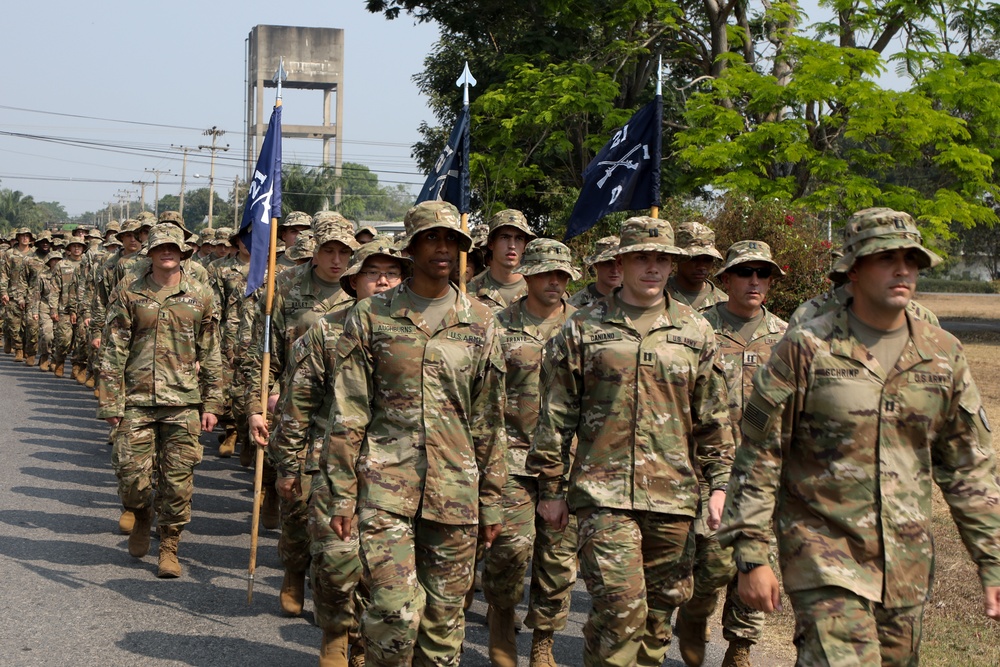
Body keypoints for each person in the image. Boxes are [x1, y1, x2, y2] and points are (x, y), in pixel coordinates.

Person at [719, 208, 1000, 666]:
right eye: (886, 257)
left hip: (906, 565)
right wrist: (751, 553)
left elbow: (968, 468)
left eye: (912, 258)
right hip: (823, 557)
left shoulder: (942, 353)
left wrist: (992, 560)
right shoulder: (806, 347)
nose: (903, 268)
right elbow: (761, 455)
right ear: (853, 268)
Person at [527, 216, 734, 667]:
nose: (653, 267)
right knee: (621, 611)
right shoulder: (582, 328)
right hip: (603, 496)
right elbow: (556, 416)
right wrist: (551, 490)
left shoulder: (696, 331)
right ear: (620, 261)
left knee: (657, 620)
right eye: (642, 257)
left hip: (674, 497)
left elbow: (713, 418)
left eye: (663, 258)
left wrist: (719, 486)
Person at [324, 200, 506, 667]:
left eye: (451, 240)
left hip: (456, 492)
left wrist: (491, 500)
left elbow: (489, 420)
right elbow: (349, 411)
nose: (443, 248)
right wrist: (341, 494)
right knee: (392, 612)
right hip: (386, 487)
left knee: (444, 622)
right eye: (432, 238)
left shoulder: (482, 322)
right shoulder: (371, 316)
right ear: (412, 248)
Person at [263, 237, 408, 666]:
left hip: (395, 470)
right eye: (372, 273)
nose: (383, 282)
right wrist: (287, 466)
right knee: (336, 561)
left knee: (382, 571)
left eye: (392, 274)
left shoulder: (410, 334)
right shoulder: (325, 332)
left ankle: (362, 644)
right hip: (330, 463)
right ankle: (334, 632)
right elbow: (297, 404)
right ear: (352, 281)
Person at [677, 241, 788, 667]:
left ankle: (739, 650)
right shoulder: (697, 328)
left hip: (763, 469)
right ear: (725, 280)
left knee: (757, 557)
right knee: (711, 563)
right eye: (746, 273)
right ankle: (694, 613)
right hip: (706, 466)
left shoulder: (786, 336)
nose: (755, 281)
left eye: (763, 274)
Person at [96, 223, 224, 578]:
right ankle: (140, 514)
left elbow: (211, 351)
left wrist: (213, 404)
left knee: (178, 481)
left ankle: (169, 544)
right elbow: (114, 347)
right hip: (136, 399)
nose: (167, 252)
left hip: (183, 401)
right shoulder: (130, 291)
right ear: (150, 252)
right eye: (160, 247)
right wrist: (110, 401)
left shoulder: (201, 294)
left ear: (183, 252)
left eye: (173, 247)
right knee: (131, 477)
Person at [247, 213, 358, 617]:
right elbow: (262, 354)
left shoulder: (363, 294)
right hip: (295, 409)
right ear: (314, 252)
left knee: (339, 513)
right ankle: (293, 570)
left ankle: (332, 593)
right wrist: (259, 403)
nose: (336, 259)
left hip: (346, 415)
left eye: (344, 252)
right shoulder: (284, 286)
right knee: (296, 502)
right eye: (329, 250)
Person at [483, 238, 580, 667]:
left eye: (562, 275)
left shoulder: (587, 326)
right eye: (546, 273)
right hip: (512, 458)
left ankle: (544, 640)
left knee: (557, 562)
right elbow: (481, 393)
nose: (555, 282)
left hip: (568, 461)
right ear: (529, 274)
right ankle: (502, 615)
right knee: (509, 550)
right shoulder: (496, 325)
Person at [467, 209, 535, 312]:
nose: (512, 245)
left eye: (519, 238)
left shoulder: (538, 290)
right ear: (491, 243)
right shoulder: (468, 293)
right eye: (504, 237)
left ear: (525, 245)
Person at [666, 221, 727, 312]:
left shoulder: (724, 303)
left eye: (707, 259)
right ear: (678, 257)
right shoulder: (657, 294)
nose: (701, 266)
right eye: (694, 258)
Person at [568, 235, 621, 308]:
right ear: (596, 265)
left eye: (620, 263)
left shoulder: (637, 301)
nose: (615, 270)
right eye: (608, 263)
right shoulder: (574, 305)